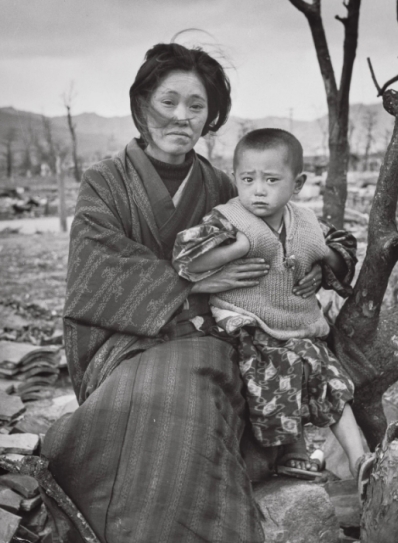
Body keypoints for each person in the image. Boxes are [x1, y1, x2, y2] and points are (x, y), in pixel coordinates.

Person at [40, 42, 325, 543]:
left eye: (198, 106)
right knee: (169, 389)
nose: (182, 117)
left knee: (193, 384)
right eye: (168, 101)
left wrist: (320, 266)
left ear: (211, 116)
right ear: (142, 104)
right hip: (121, 342)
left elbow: (291, 230)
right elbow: (96, 270)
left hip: (210, 339)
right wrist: (190, 282)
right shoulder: (105, 182)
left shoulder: (223, 186)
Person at [173, 129, 374, 491]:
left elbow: (343, 250)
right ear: (235, 179)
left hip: (296, 323)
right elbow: (188, 259)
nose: (258, 190)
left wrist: (322, 256)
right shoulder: (227, 219)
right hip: (246, 323)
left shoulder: (307, 221)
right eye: (248, 180)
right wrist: (237, 248)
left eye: (271, 180)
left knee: (332, 380)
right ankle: (285, 453)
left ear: (297, 184)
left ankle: (361, 461)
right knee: (276, 371)